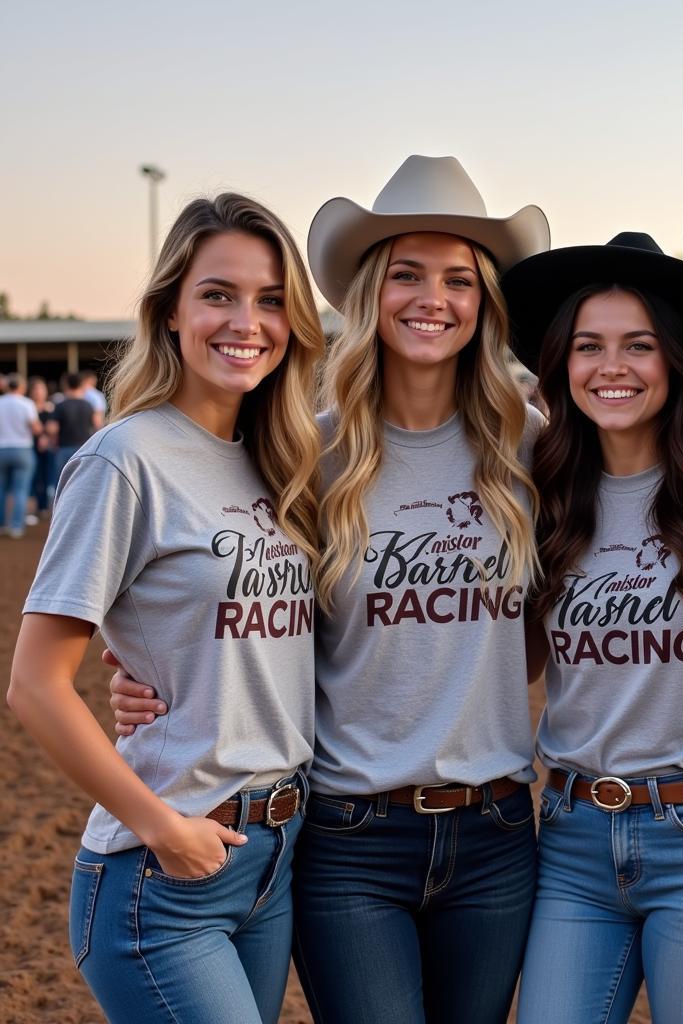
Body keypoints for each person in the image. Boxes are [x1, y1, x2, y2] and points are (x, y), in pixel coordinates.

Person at [112, 155, 551, 1024]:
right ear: (368, 294)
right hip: (348, 835)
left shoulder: (530, 448)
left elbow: (547, 626)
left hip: (498, 832)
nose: (434, 298)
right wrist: (145, 676)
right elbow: (231, 594)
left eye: (458, 280)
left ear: (484, 301)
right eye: (407, 275)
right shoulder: (301, 454)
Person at [7, 193, 324, 1024]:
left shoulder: (282, 460)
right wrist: (160, 826)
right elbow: (36, 686)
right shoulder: (126, 459)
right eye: (218, 294)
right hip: (165, 872)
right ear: (171, 310)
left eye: (270, 299)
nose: (245, 321)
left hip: (274, 859)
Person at [501, 233, 683, 1024]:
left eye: (639, 346)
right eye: (589, 346)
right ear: (560, 366)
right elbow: (490, 644)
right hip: (573, 839)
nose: (610, 367)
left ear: (681, 362)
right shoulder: (538, 492)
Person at [0, 373, 42, 536]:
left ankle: (2, 524)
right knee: (21, 489)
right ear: (22, 387)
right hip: (23, 449)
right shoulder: (27, 404)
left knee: (1, 489)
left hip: (2, 449)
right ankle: (16, 527)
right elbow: (36, 428)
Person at [49, 372, 103, 476]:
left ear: (65, 385)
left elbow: (52, 429)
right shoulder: (89, 405)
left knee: (63, 483)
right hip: (84, 448)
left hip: (64, 448)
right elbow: (98, 425)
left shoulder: (60, 406)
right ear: (81, 385)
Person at [27, 375, 55, 517]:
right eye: (36, 389)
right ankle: (32, 508)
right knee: (33, 477)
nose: (38, 392)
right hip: (30, 446)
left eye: (41, 389)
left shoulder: (50, 407)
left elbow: (54, 427)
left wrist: (46, 438)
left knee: (46, 475)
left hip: (47, 447)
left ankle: (43, 506)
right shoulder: (28, 406)